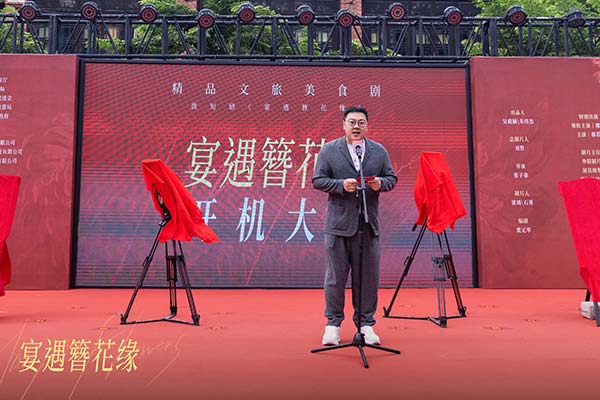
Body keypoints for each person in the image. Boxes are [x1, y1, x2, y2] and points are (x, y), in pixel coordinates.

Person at [313, 106, 397, 346]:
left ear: (367, 126)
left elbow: (391, 178)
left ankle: (366, 324)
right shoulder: (330, 150)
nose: (356, 126)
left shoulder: (378, 151)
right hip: (338, 225)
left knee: (368, 278)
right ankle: (333, 325)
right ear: (344, 125)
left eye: (361, 122)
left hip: (368, 225)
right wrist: (340, 185)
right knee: (335, 278)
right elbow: (318, 180)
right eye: (352, 122)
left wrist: (380, 183)